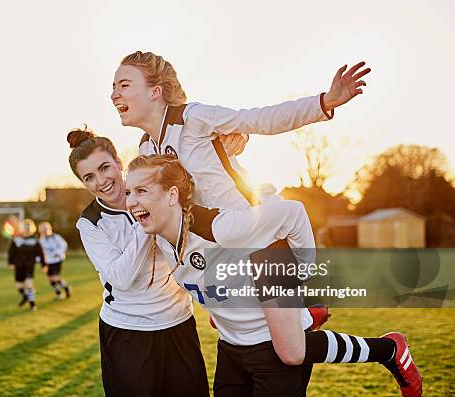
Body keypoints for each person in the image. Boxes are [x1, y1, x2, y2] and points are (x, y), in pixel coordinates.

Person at [125, 154, 423, 397]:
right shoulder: (158, 239)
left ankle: (387, 349)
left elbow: (290, 212)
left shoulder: (220, 226)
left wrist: (302, 275)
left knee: (292, 351)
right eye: (129, 192)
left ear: (171, 195)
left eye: (141, 191)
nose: (131, 201)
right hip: (231, 347)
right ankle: (310, 318)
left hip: (271, 345)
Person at [112, 50, 335, 330]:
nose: (114, 95)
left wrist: (324, 103)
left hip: (260, 234)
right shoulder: (147, 149)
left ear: (155, 91)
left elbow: (260, 119)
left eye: (124, 85)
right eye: (113, 87)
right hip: (225, 250)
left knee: (283, 350)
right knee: (261, 342)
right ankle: (331, 325)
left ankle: (308, 291)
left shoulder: (193, 118)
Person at [68, 127, 209, 397]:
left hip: (176, 323)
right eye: (89, 177)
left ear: (119, 163)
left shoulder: (155, 183)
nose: (102, 180)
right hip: (127, 333)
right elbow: (120, 278)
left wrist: (236, 140)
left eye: (105, 167)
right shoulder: (90, 223)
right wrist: (146, 218)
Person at [7, 219, 44, 312]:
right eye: (25, 227)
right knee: (19, 286)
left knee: (29, 284)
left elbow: (40, 253)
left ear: (32, 228)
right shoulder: (16, 239)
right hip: (18, 265)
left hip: (29, 265)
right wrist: (10, 262)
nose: (26, 229)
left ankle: (32, 304)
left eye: (28, 227)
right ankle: (25, 297)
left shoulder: (34, 240)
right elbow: (11, 252)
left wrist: (43, 264)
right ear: (22, 228)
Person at [38, 221, 72, 299]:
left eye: (46, 228)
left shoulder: (56, 237)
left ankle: (66, 288)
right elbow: (40, 253)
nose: (45, 230)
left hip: (57, 260)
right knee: (51, 280)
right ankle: (58, 293)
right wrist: (41, 261)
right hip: (47, 262)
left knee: (55, 277)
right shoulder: (41, 241)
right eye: (43, 229)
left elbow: (64, 245)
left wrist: (58, 252)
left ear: (50, 229)